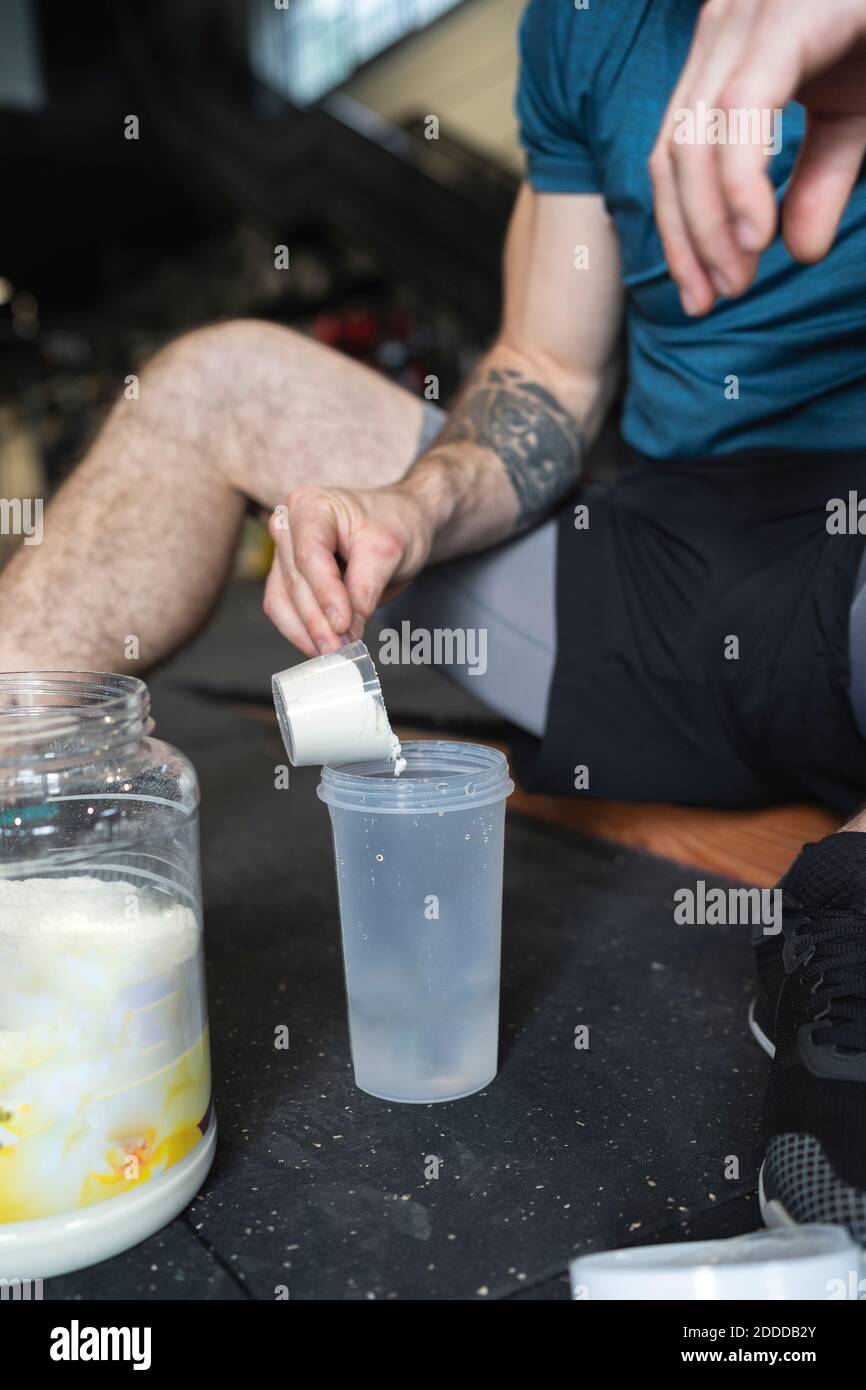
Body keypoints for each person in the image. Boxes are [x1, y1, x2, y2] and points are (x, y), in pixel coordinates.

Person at [2, 0, 865, 1240]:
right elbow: (548, 376)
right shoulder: (582, 26)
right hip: (658, 573)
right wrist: (412, 507)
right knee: (221, 381)